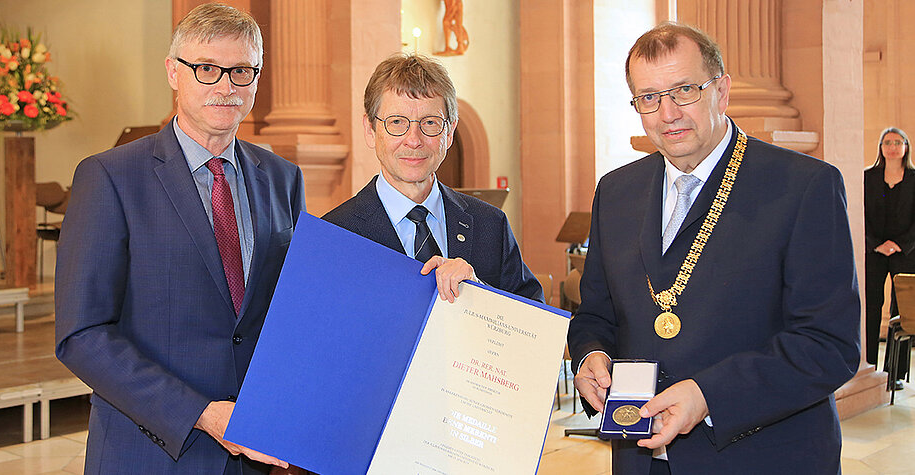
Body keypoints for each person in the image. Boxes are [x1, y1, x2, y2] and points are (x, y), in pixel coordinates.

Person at [567, 22, 860, 474]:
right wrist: (590, 355)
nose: (667, 114)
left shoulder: (803, 187)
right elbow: (595, 315)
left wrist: (709, 396)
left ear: (721, 92)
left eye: (683, 90)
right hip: (641, 461)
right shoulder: (616, 191)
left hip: (761, 458)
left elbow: (827, 345)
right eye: (649, 98)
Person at [55, 4, 303, 473]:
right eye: (206, 68)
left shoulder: (281, 178)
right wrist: (202, 414)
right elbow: (82, 334)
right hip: (152, 449)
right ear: (173, 72)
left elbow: (289, 310)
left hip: (253, 454)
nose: (226, 85)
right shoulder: (110, 177)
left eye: (242, 71)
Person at [323, 53, 541, 303]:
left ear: (449, 133)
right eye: (396, 122)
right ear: (370, 130)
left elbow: (537, 326)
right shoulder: (335, 235)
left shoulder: (491, 225)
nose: (414, 140)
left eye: (429, 123)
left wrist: (479, 292)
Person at [864, 127, 914, 388]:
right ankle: (869, 367)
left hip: (906, 252)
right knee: (871, 307)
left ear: (906, 147)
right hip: (874, 251)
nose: (892, 147)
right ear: (881, 148)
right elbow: (858, 213)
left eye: (897, 142)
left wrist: (900, 245)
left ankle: (895, 374)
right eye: (887, 142)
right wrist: (876, 244)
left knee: (902, 312)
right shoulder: (867, 177)